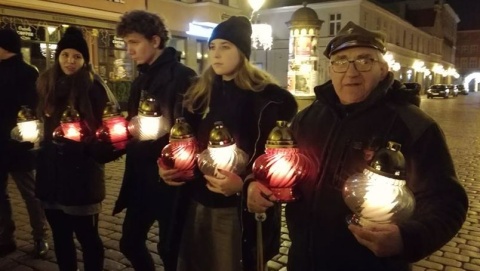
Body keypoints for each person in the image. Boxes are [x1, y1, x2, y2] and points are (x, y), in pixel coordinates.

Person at [246, 21, 468, 271]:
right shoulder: (308, 118)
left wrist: (407, 238)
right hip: (304, 260)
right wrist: (257, 183)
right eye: (341, 61)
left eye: (364, 61)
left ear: (383, 69)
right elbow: (283, 163)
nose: (351, 72)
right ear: (330, 69)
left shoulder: (413, 125)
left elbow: (447, 202)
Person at [159, 16, 298, 271]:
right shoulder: (198, 94)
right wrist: (168, 164)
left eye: (226, 46)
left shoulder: (269, 100)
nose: (216, 54)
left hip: (235, 211)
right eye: (212, 47)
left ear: (242, 51)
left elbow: (276, 160)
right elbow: (183, 142)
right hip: (196, 201)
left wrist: (243, 183)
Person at [112, 10, 197, 271]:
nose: (129, 50)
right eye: (127, 44)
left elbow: (189, 129)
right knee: (129, 242)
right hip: (140, 177)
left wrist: (170, 161)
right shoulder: (141, 80)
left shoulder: (183, 77)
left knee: (170, 249)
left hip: (169, 179)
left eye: (134, 42)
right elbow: (136, 127)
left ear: (156, 41)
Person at [35, 26, 121, 271]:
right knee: (61, 237)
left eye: (77, 56)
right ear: (57, 56)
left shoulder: (93, 88)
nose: (70, 61)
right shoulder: (46, 86)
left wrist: (83, 146)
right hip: (51, 174)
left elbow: (106, 134)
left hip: (81, 176)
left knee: (87, 236)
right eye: (65, 55)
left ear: (84, 60)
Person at [0, 28, 49, 258]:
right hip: (4, 144)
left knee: (30, 193)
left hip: (19, 144)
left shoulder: (28, 72)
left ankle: (40, 236)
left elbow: (34, 107)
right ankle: (6, 237)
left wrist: (26, 136)